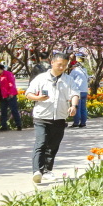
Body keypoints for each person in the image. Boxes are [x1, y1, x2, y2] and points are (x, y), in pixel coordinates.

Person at [24, 52, 80, 183]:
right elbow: (28, 93)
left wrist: (73, 106)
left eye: (65, 65)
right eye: (59, 64)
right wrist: (38, 98)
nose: (62, 67)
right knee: (41, 142)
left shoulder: (69, 80)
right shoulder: (41, 78)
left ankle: (47, 170)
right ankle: (37, 171)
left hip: (59, 117)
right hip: (41, 117)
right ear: (52, 63)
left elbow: (75, 94)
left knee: (53, 145)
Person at [0, 63, 21, 131]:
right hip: (2, 96)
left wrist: (11, 92)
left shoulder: (8, 74)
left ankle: (18, 125)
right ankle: (3, 126)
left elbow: (12, 83)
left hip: (10, 96)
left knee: (14, 110)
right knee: (3, 111)